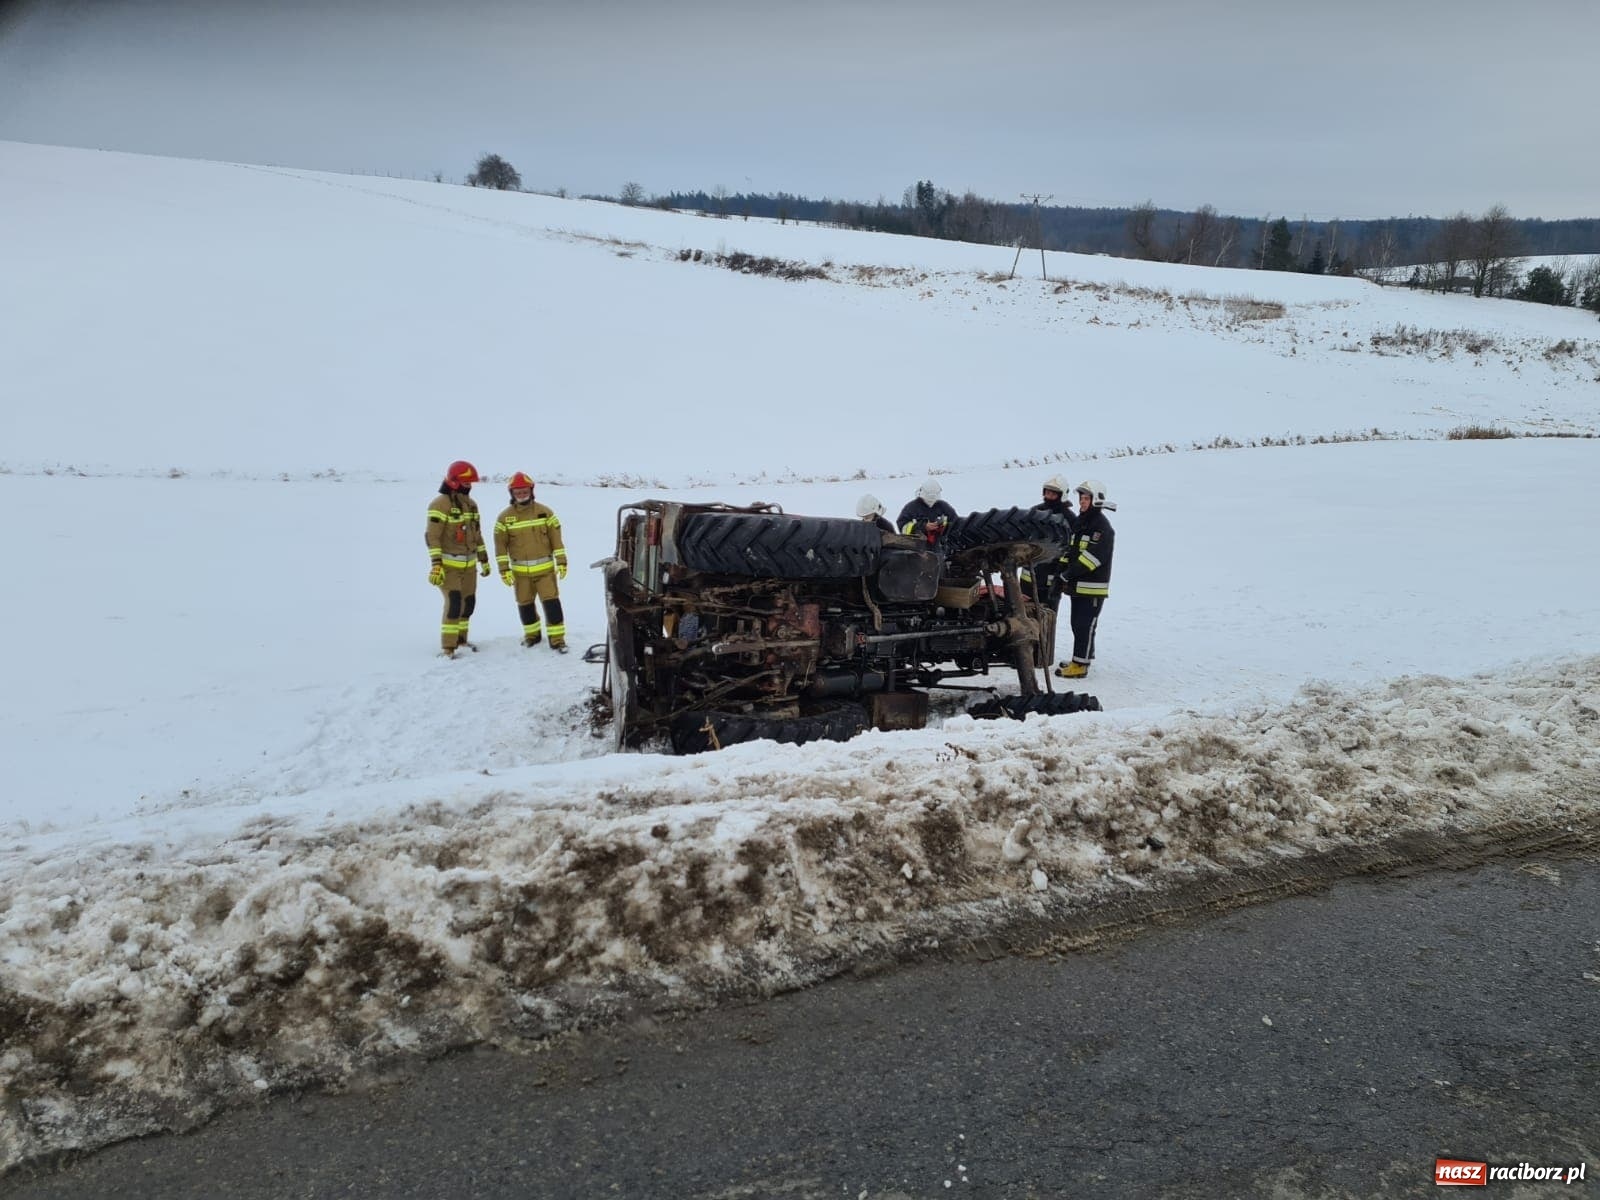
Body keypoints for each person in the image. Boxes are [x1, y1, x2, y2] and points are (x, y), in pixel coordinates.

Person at [494, 472, 570, 652]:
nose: (522, 495)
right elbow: (500, 547)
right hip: (520, 574)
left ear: (531, 490)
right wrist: (504, 569)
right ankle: (532, 636)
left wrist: (561, 561)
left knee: (552, 605)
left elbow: (556, 540)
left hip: (545, 572)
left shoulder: (545, 512)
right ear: (512, 493)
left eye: (525, 491)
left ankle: (557, 640)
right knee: (525, 606)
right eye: (518, 492)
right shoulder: (504, 518)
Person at [425, 460, 490, 657]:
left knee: (468, 603)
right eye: (466, 482)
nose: (469, 486)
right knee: (454, 604)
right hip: (449, 567)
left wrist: (484, 559)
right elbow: (432, 537)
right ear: (454, 482)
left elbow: (477, 535)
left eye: (471, 483)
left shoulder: (471, 505)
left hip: (469, 566)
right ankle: (448, 648)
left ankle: (461, 640)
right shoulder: (440, 504)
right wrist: (436, 564)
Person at [1055, 478, 1116, 679]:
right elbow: (1072, 550)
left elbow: (1091, 559)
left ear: (1096, 500)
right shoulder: (1083, 523)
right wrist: (1061, 570)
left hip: (1092, 588)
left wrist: (1067, 574)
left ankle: (1080, 665)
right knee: (1077, 624)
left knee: (1084, 625)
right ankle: (1083, 656)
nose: (1082, 501)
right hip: (1078, 586)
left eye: (1086, 498)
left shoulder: (1102, 528)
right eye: (1081, 498)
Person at [1028, 473, 1077, 605]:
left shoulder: (1069, 518)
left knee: (1048, 614)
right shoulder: (1035, 512)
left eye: (1053, 494)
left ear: (1062, 495)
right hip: (1028, 578)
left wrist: (1061, 578)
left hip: (1051, 579)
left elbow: (1072, 549)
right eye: (1047, 492)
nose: (1049, 496)